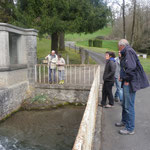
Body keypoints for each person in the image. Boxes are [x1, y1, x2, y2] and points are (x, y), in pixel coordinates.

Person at [115, 39, 149, 135]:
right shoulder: (126, 52)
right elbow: (125, 66)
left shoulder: (129, 52)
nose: (118, 49)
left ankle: (130, 128)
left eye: (119, 47)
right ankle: (124, 121)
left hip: (129, 83)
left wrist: (126, 79)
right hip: (127, 81)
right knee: (125, 104)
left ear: (122, 46)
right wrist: (121, 58)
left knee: (129, 106)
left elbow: (131, 68)